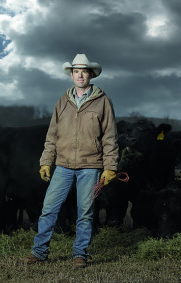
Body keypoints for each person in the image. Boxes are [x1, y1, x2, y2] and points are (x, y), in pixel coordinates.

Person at [21, 54, 119, 268]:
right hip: (63, 165)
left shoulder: (103, 101)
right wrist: (46, 161)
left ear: (90, 74)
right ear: (72, 75)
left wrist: (110, 167)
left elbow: (110, 136)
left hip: (90, 166)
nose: (80, 75)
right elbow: (52, 134)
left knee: (85, 212)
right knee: (49, 208)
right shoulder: (63, 101)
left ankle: (80, 254)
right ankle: (39, 252)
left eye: (84, 71)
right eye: (76, 71)